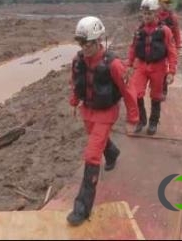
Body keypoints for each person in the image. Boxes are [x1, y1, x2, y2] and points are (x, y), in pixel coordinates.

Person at [67, 16, 139, 226]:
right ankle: (113, 153)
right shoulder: (78, 61)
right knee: (98, 141)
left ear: (99, 40)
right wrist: (74, 102)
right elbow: (75, 83)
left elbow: (129, 91)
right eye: (80, 43)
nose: (83, 48)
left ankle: (82, 208)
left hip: (106, 113)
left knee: (91, 155)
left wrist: (133, 118)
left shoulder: (114, 64)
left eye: (87, 43)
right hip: (88, 111)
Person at [126, 0, 178, 135]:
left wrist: (171, 71)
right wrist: (129, 64)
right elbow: (133, 48)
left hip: (159, 67)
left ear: (156, 13)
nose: (146, 16)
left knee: (156, 96)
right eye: (144, 13)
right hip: (142, 66)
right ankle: (141, 120)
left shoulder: (165, 31)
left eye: (149, 13)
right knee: (136, 93)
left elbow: (172, 51)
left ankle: (153, 122)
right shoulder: (139, 31)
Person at [157, 0, 182, 99]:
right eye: (166, 3)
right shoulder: (155, 16)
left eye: (169, 3)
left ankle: (163, 90)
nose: (168, 5)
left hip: (168, 46)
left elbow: (177, 32)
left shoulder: (173, 17)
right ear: (160, 3)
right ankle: (156, 87)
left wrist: (178, 47)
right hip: (156, 45)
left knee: (164, 69)